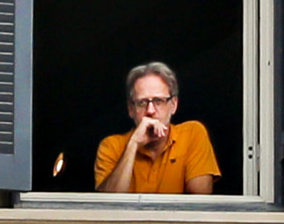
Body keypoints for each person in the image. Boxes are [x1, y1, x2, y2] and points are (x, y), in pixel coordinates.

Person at [94, 62, 220, 194]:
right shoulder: (110, 146)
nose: (150, 110)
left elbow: (201, 200)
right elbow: (109, 206)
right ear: (131, 109)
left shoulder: (193, 133)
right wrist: (133, 144)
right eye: (142, 103)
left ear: (174, 105)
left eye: (158, 101)